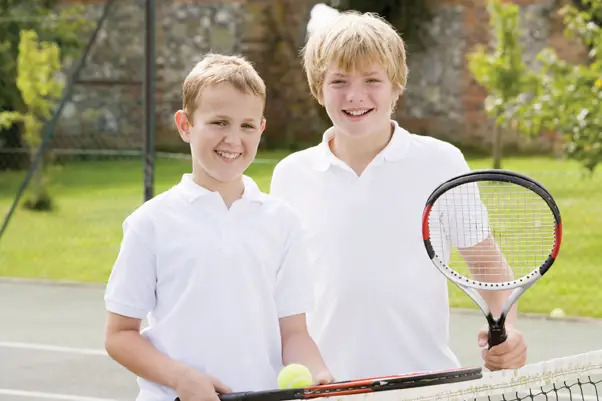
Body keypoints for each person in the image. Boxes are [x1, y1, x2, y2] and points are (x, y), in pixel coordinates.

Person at [270, 11, 527, 381]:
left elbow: (487, 265)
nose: (355, 96)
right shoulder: (290, 175)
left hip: (426, 383)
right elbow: (282, 294)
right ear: (317, 87)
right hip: (328, 386)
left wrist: (509, 331)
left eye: (372, 80)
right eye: (338, 81)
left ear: (396, 85)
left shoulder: (442, 162)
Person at [104, 53, 333, 401]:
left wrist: (318, 374)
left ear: (261, 130)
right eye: (219, 122)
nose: (233, 139)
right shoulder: (150, 223)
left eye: (246, 126)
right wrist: (181, 379)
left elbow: (294, 333)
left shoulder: (282, 221)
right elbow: (119, 335)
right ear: (185, 125)